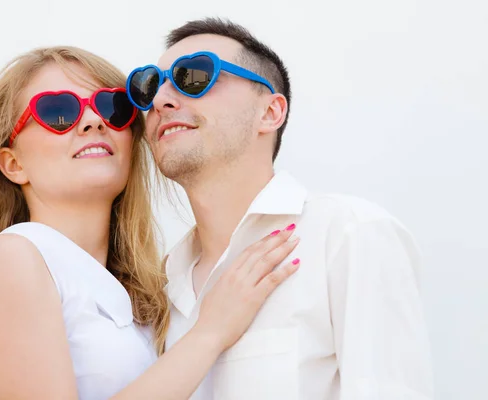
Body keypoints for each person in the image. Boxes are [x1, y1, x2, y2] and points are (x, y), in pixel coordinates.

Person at [0, 45, 301, 400]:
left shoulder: (148, 294)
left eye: (113, 107)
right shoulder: (14, 256)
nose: (93, 120)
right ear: (14, 164)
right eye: (58, 112)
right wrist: (210, 333)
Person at [123, 17, 434, 399]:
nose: (160, 100)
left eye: (193, 76)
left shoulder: (346, 235)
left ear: (270, 112)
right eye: (150, 86)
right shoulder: (162, 284)